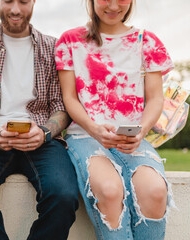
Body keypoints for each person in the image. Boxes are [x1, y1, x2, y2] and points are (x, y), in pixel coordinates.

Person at [0, 0, 79, 239]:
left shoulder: (53, 47)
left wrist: (44, 132)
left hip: (42, 137)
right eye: (8, 0)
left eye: (23, 1)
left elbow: (60, 106)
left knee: (64, 195)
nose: (15, 9)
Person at [55, 0, 175, 239]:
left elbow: (155, 99)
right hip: (84, 134)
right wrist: (94, 128)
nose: (112, 5)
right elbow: (69, 98)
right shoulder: (69, 41)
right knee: (109, 190)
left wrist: (140, 130)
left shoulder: (148, 42)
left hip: (132, 138)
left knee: (154, 190)